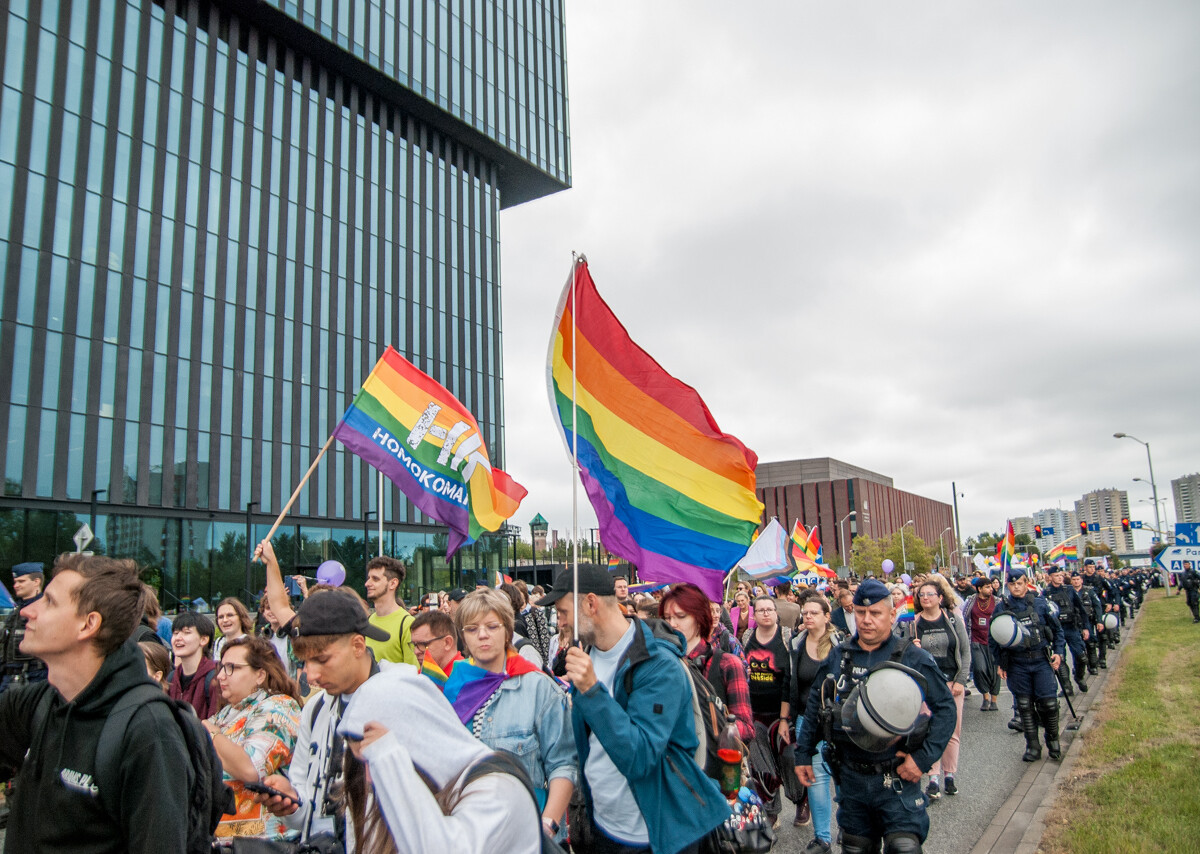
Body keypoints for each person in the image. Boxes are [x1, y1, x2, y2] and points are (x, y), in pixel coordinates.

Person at [0, 554, 190, 850]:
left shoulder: (147, 730)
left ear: (88, 624)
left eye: (49, 602)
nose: (28, 611)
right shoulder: (38, 703)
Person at [538, 564, 728, 854]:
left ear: (591, 604)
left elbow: (640, 757)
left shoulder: (659, 664)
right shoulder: (588, 654)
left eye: (563, 612)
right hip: (603, 826)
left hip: (653, 835)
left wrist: (592, 691)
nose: (560, 622)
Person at [795, 579, 956, 854]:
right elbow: (815, 705)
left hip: (897, 779)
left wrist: (922, 759)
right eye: (860, 612)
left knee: (904, 847)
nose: (866, 620)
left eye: (875, 613)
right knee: (856, 847)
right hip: (852, 780)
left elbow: (946, 709)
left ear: (892, 615)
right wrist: (803, 754)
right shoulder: (839, 655)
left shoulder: (911, 657)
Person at [338, 667, 543, 853]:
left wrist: (388, 760)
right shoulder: (428, 788)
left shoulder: (499, 791)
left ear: (414, 740)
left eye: (371, 762)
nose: (370, 777)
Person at [252, 585, 389, 848]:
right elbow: (306, 805)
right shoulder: (315, 709)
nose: (311, 675)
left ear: (358, 645)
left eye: (322, 660)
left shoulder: (402, 696)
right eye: (304, 662)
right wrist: (290, 802)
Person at [451, 588, 576, 839]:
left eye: (492, 626)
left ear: (508, 632)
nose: (482, 635)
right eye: (472, 629)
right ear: (462, 636)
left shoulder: (539, 688)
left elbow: (564, 764)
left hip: (527, 832)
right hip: (470, 833)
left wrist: (546, 827)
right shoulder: (453, 689)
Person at [204, 636, 303, 838]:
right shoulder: (226, 713)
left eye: (231, 668)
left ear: (260, 675)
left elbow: (251, 769)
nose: (221, 676)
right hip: (225, 840)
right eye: (221, 668)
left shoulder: (279, 707)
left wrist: (211, 733)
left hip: (265, 842)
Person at [660, 583, 754, 742]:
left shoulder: (727, 663)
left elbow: (746, 729)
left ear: (700, 618)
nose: (672, 624)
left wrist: (707, 722)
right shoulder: (664, 663)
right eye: (667, 618)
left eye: (681, 616)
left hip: (714, 754)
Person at [992, 568, 1065, 762]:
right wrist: (1000, 663)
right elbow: (994, 638)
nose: (1016, 587)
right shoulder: (1001, 608)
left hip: (1041, 660)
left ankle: (1053, 740)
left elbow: (1058, 631)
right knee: (1024, 706)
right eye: (1012, 584)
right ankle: (1033, 746)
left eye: (1020, 583)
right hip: (1017, 663)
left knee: (1049, 704)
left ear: (1026, 583)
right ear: (1008, 585)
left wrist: (1058, 652)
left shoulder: (1040, 604)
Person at [789, 593, 843, 852]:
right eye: (805, 613)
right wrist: (786, 718)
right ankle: (823, 838)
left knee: (842, 775)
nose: (808, 617)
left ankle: (848, 826)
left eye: (814, 613)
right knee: (816, 777)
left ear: (826, 616)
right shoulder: (796, 643)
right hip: (806, 719)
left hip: (837, 720)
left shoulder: (839, 644)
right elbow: (790, 683)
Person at [912, 578, 969, 800]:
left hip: (952, 683)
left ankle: (950, 775)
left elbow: (965, 651)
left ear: (940, 597)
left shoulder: (952, 619)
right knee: (929, 731)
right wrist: (912, 647)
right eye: (922, 595)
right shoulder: (914, 623)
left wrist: (961, 680)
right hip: (927, 686)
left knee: (952, 731)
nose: (925, 598)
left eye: (930, 594)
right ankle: (933, 778)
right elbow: (905, 654)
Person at [742, 595, 793, 732]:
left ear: (776, 613)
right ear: (754, 616)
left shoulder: (787, 637)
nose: (766, 614)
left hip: (778, 712)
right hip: (752, 710)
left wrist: (784, 718)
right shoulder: (747, 637)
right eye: (761, 610)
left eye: (769, 609)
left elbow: (790, 680)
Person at [1042, 567, 1090, 694]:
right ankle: (1066, 687)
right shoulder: (1046, 593)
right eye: (1056, 575)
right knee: (1060, 658)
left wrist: (1086, 627)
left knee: (1081, 656)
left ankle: (1079, 677)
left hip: (1072, 627)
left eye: (1061, 575)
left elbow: (1081, 609)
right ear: (1050, 577)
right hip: (1057, 630)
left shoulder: (1069, 589)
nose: (1059, 578)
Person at [363, 556, 418, 666]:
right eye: (368, 578)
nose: (367, 583)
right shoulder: (367, 622)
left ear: (393, 583)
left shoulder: (407, 624)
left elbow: (413, 671)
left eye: (375, 579)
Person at [1, 562, 48, 691]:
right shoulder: (15, 613)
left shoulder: (47, 611)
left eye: (21, 581)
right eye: (15, 581)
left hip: (34, 678)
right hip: (10, 679)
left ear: (36, 581)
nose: (16, 585)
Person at [168, 610, 223, 719]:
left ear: (204, 639)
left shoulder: (216, 677)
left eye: (186, 632)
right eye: (175, 633)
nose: (178, 638)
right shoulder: (171, 678)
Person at [960, 576, 1001, 711]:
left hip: (993, 641)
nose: (991, 589)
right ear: (979, 589)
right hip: (976, 640)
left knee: (994, 671)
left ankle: (993, 700)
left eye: (991, 586)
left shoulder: (997, 601)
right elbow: (964, 616)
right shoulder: (971, 600)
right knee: (979, 669)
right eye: (987, 587)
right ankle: (985, 697)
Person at [410, 608, 464, 679]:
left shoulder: (466, 677)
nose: (416, 651)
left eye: (423, 644)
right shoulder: (424, 674)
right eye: (414, 645)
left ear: (447, 643)